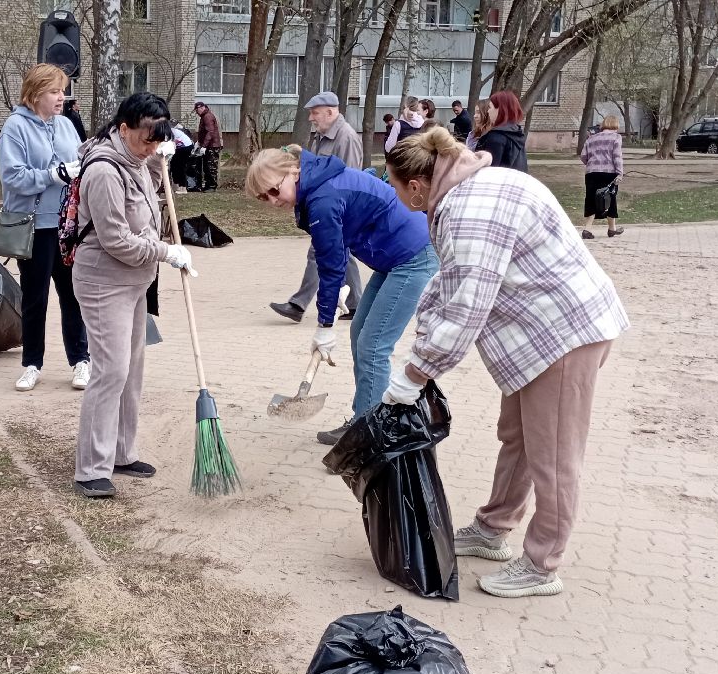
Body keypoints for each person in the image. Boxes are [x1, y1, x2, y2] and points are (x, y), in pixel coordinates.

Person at [383, 126, 629, 598]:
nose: (397, 196)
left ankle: (542, 564)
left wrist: (417, 373)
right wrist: (421, 340)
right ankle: (494, 527)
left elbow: (467, 306)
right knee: (518, 435)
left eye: (396, 187)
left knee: (554, 456)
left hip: (563, 335)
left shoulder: (469, 209)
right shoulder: (468, 189)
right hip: (538, 334)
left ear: (416, 185)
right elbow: (449, 282)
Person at [246, 140, 437, 446]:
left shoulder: (322, 198)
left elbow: (332, 264)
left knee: (373, 345)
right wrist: (334, 296)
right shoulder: (314, 186)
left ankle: (370, 437)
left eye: (273, 189)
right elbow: (335, 251)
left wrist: (324, 326)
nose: (272, 200)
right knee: (360, 333)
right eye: (263, 197)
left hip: (413, 256)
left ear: (293, 171)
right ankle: (365, 419)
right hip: (392, 258)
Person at [71, 92, 194, 498]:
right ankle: (91, 468)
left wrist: (161, 164)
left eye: (157, 139)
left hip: (135, 283)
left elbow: (146, 204)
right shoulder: (104, 170)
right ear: (123, 128)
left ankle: (122, 452)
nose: (150, 146)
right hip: (104, 282)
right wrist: (166, 252)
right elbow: (115, 240)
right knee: (111, 371)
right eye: (146, 139)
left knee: (132, 372)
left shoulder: (139, 160)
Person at [0, 63, 91, 391]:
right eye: (54, 91)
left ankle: (81, 360)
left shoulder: (66, 125)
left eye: (62, 90)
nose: (61, 97)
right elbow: (13, 177)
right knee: (35, 298)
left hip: (67, 224)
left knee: (74, 294)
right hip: (33, 226)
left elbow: (81, 162)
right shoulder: (15, 127)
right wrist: (53, 175)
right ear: (34, 94)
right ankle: (32, 364)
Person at [270, 92, 364, 324]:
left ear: (330, 112)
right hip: (324, 205)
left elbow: (350, 177)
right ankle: (357, 305)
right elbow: (318, 167)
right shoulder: (321, 135)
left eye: (315, 113)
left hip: (337, 208)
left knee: (319, 252)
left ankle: (298, 305)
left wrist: (337, 209)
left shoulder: (346, 137)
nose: (311, 118)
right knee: (343, 254)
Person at [580, 114, 625, 239]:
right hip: (608, 173)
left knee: (591, 199)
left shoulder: (591, 138)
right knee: (609, 199)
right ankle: (611, 229)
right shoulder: (616, 137)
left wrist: (592, 163)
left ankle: (587, 229)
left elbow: (583, 156)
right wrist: (620, 173)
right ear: (615, 125)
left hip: (591, 173)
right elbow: (617, 157)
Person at [477, 90, 529, 171]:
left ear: (500, 109)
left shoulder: (497, 137)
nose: (488, 111)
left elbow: (489, 172)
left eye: (490, 107)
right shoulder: (515, 132)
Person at [192, 101, 224, 191]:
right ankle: (207, 185)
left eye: (197, 110)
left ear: (201, 108)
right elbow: (204, 132)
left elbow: (210, 132)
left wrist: (204, 145)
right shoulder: (204, 116)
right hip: (209, 145)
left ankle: (212, 186)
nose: (196, 113)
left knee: (211, 167)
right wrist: (199, 142)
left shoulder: (207, 117)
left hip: (212, 146)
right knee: (206, 166)